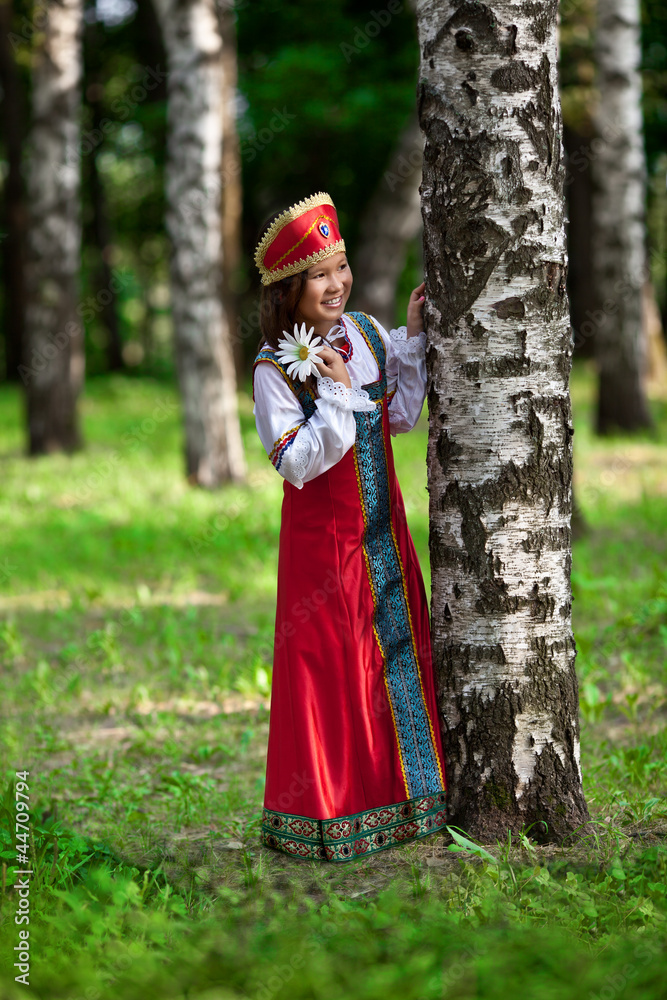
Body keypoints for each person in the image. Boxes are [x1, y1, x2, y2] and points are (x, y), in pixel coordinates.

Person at [252, 191, 448, 862]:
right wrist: (334, 393)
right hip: (324, 547)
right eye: (317, 273)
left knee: (393, 653)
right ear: (288, 288)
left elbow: (394, 419)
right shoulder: (274, 369)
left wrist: (412, 337)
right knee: (336, 665)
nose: (335, 283)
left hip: (382, 531)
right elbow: (299, 465)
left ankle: (408, 803)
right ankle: (338, 815)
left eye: (339, 267)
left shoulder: (364, 335)